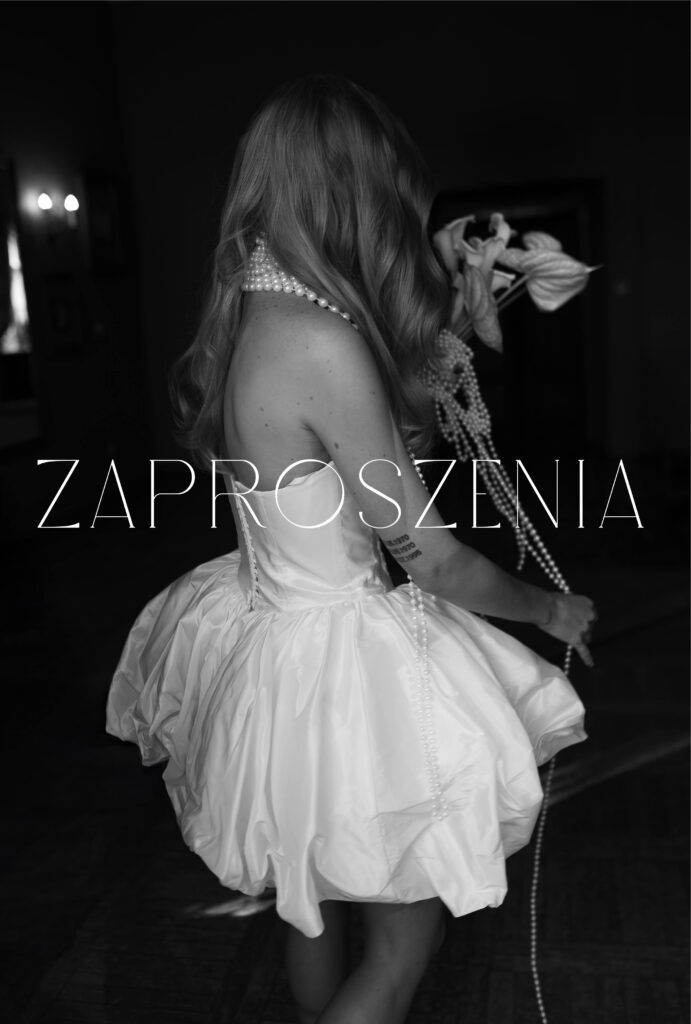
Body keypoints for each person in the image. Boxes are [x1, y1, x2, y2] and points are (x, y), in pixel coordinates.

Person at [105, 74, 596, 1024]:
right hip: (344, 675)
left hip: (275, 644)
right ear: (361, 194)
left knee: (313, 906)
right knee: (406, 947)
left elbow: (348, 458)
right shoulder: (320, 341)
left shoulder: (249, 313)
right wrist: (549, 609)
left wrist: (448, 310)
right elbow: (432, 558)